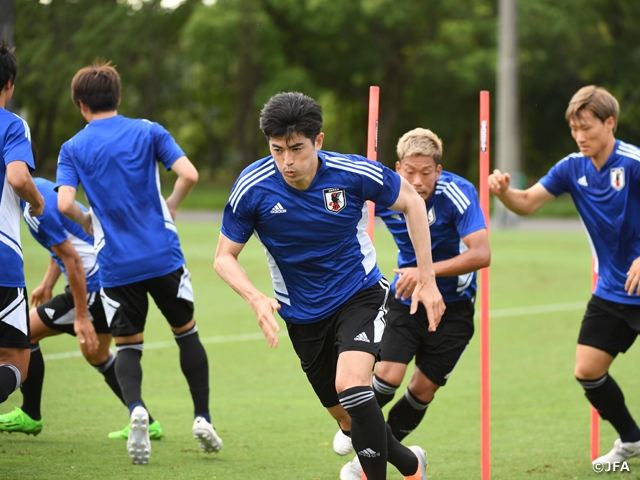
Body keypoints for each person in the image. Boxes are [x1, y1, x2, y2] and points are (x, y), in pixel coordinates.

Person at [214, 92, 446, 480]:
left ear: (318, 141)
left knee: (352, 386)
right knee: (349, 420)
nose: (287, 161)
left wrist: (427, 277)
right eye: (277, 150)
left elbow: (412, 203)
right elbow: (224, 257)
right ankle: (412, 465)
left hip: (360, 293)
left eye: (297, 149)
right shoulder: (252, 187)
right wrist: (255, 297)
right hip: (302, 316)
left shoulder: (352, 173)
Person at [55, 61, 221, 465]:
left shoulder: (73, 147)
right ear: (118, 97)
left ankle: (137, 411)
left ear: (81, 105)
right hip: (163, 255)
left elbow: (62, 204)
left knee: (129, 345)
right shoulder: (149, 130)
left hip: (116, 264)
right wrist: (172, 206)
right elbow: (189, 174)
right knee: (187, 333)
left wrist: (88, 220)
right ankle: (202, 417)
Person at [488, 85, 640, 467]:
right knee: (588, 370)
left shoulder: (634, 163)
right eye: (574, 128)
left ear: (610, 123)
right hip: (613, 290)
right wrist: (505, 193)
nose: (579, 136)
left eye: (586, 127)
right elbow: (526, 204)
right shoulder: (572, 167)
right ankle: (633, 440)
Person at [336, 128, 490, 478]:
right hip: (406, 300)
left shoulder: (458, 192)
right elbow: (347, 218)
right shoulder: (388, 190)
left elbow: (482, 253)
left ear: (438, 169)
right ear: (398, 168)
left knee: (423, 389)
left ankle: (372, 453)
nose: (418, 181)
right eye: (410, 172)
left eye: (426, 172)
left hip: (455, 306)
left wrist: (424, 273)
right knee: (387, 375)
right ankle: (366, 444)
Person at [0, 177, 163, 441]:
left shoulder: (34, 207)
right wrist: (46, 284)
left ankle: (30, 415)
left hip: (92, 287)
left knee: (26, 332)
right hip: (107, 281)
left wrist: (81, 317)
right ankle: (145, 419)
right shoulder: (40, 188)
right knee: (97, 355)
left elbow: (72, 260)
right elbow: (65, 248)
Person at [0, 40, 45, 406]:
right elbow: (17, 178)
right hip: (2, 260)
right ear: (9, 84)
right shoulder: (13, 125)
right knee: (16, 361)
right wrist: (38, 199)